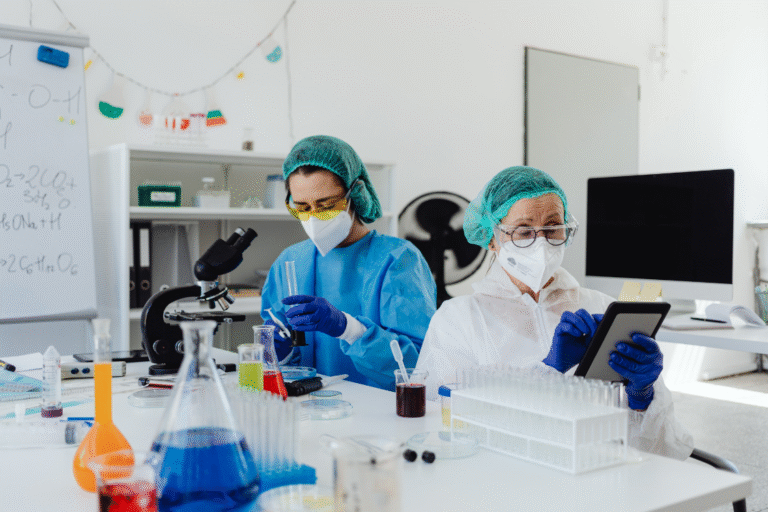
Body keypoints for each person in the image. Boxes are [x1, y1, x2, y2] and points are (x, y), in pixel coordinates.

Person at [415, 166, 693, 460]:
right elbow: (450, 428)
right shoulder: (458, 320)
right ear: (492, 239)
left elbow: (662, 451)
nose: (542, 242)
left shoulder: (600, 307)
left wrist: (643, 397)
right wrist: (548, 370)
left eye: (553, 227)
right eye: (524, 231)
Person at [260, 135, 437, 390]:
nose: (313, 217)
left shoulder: (398, 259)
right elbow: (284, 367)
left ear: (356, 194)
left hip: (383, 416)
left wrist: (349, 329)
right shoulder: (290, 261)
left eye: (326, 205)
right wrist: (278, 351)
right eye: (301, 207)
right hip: (312, 410)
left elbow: (417, 367)